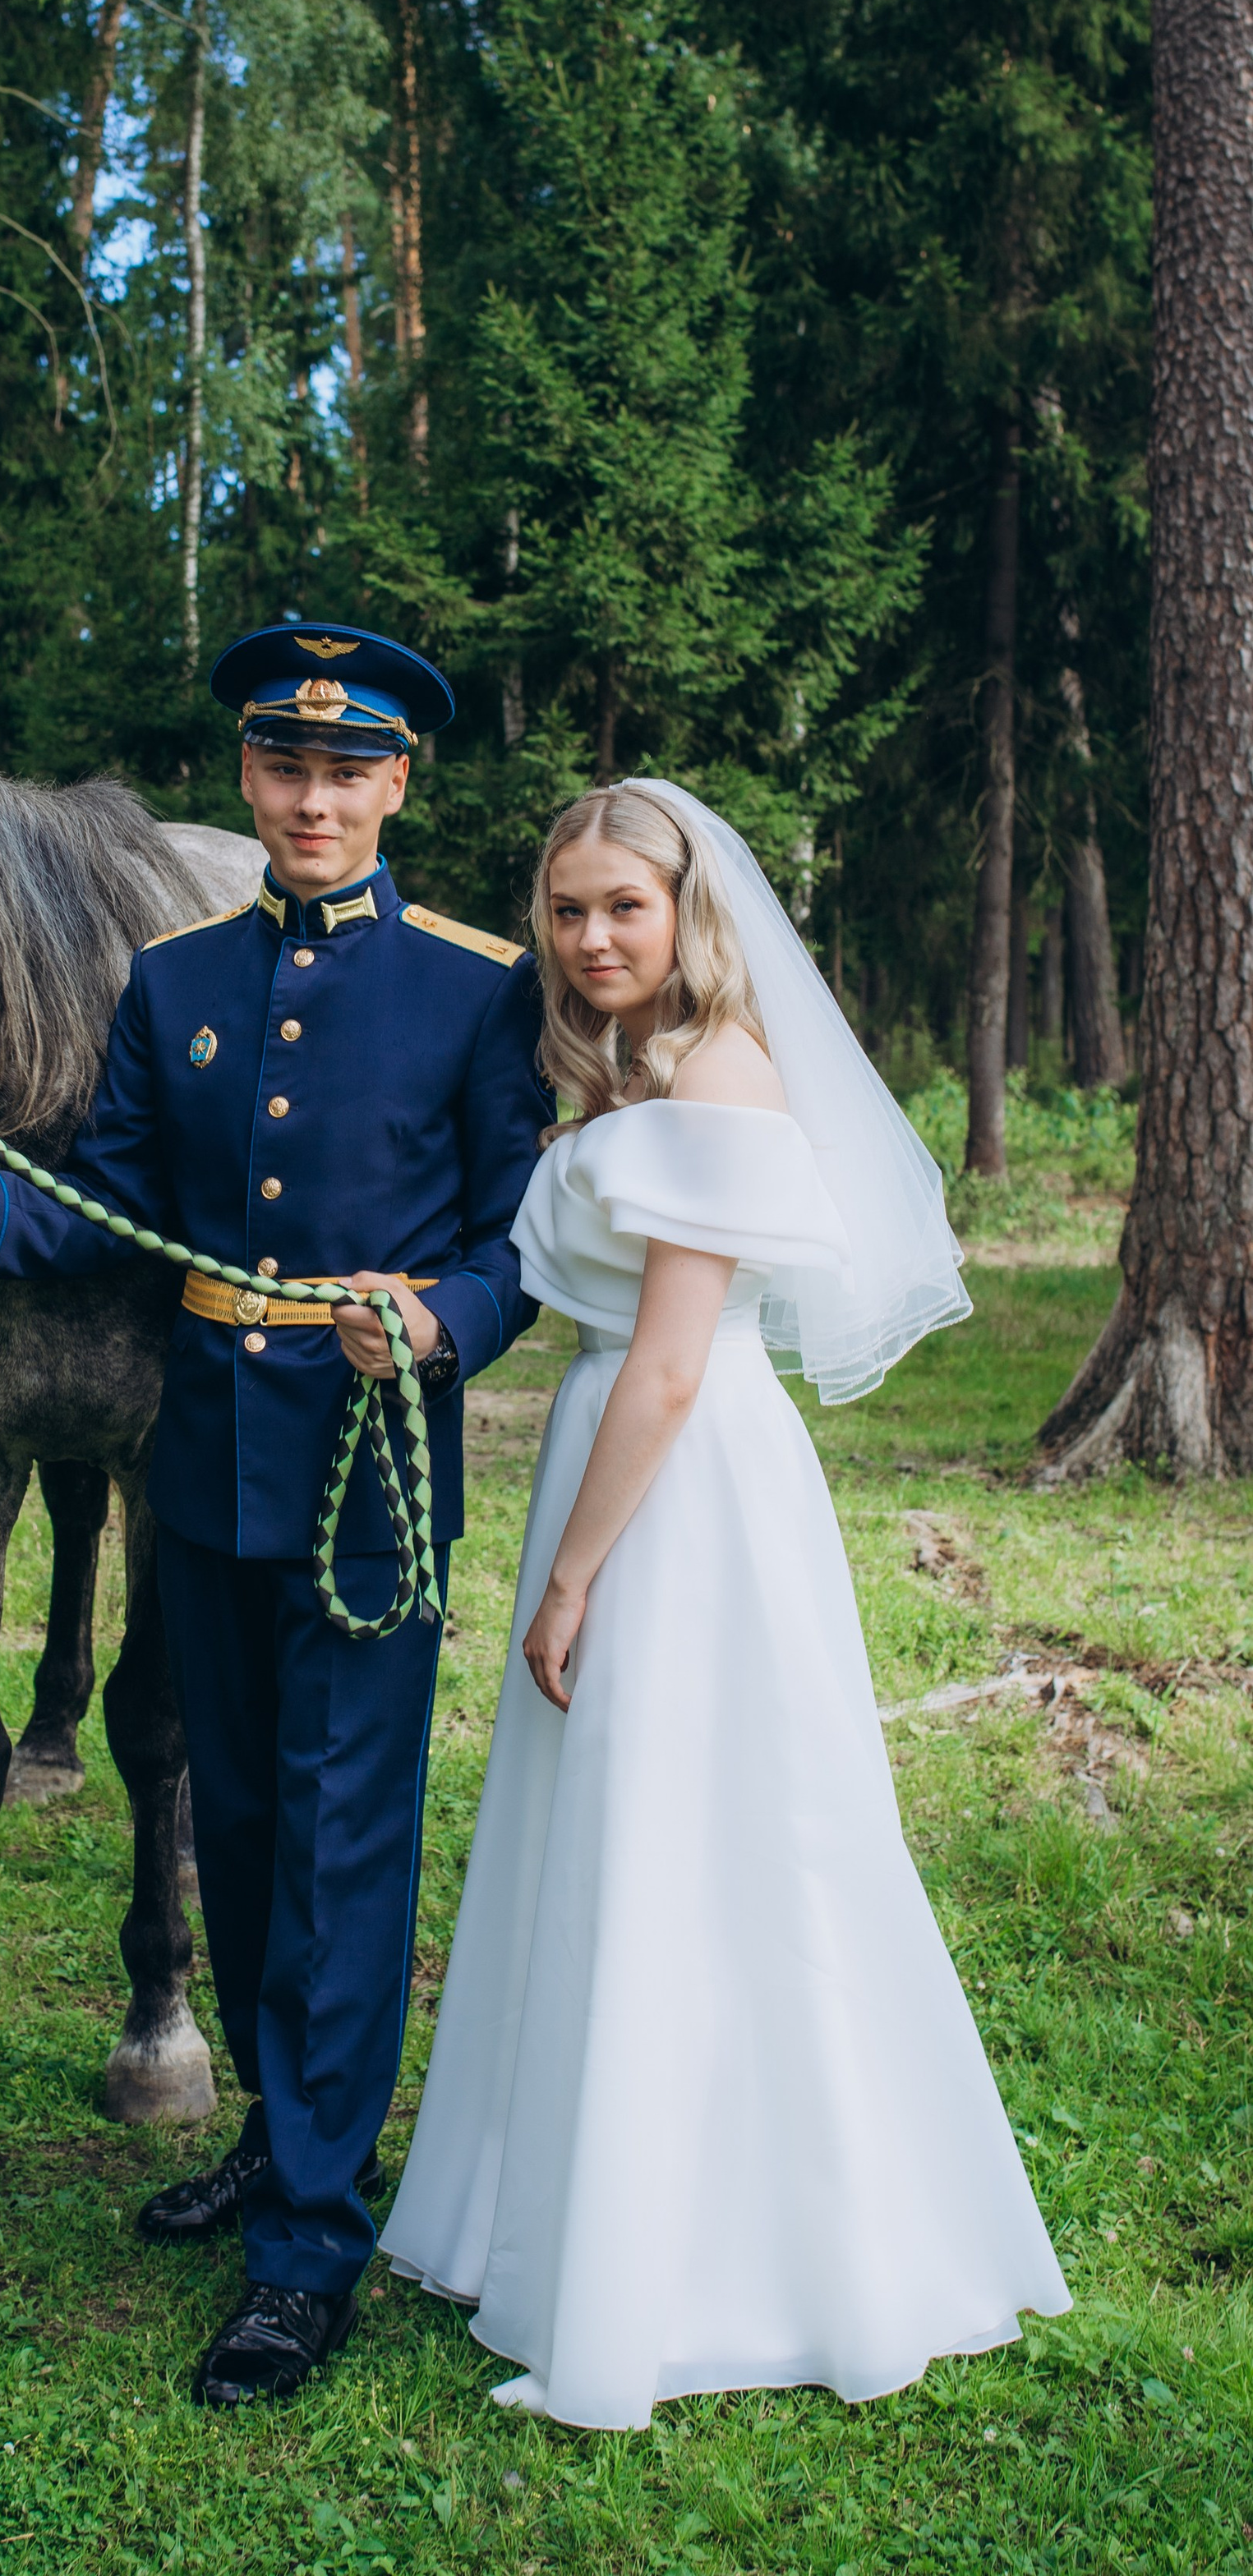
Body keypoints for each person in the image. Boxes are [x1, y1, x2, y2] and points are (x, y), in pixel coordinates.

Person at [0, 623, 553, 2405]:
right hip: (208, 1452)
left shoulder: (477, 987)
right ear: (247, 779)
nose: (311, 798)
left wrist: (448, 1324)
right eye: (283, 766)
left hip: (367, 1469)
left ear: (396, 785)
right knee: (227, 1818)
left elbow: (512, 1239)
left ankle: (310, 2238)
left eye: (346, 770)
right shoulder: (172, 983)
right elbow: (105, 1216)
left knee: (341, 1845)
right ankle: (268, 2134)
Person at [380, 780, 1070, 2426]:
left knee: (700, 1837)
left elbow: (676, 1363)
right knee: (602, 1839)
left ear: (685, 912)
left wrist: (565, 1577)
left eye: (623, 905)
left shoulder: (717, 1067)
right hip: (622, 1457)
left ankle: (723, 2256)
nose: (591, 935)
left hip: (677, 1493)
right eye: (564, 909)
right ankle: (554, 2213)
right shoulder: (617, 1067)